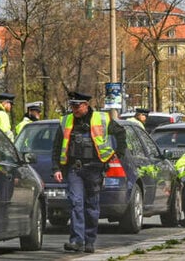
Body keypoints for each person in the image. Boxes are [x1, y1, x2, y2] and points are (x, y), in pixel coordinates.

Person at [51, 90, 129, 253]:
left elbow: (121, 133)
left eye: (77, 106)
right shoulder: (66, 121)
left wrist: (118, 154)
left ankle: (89, 241)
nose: (74, 109)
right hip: (74, 169)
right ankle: (76, 240)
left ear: (86, 105)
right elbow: (57, 147)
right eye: (72, 106)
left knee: (91, 206)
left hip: (94, 168)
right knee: (76, 203)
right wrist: (56, 168)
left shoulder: (102, 118)